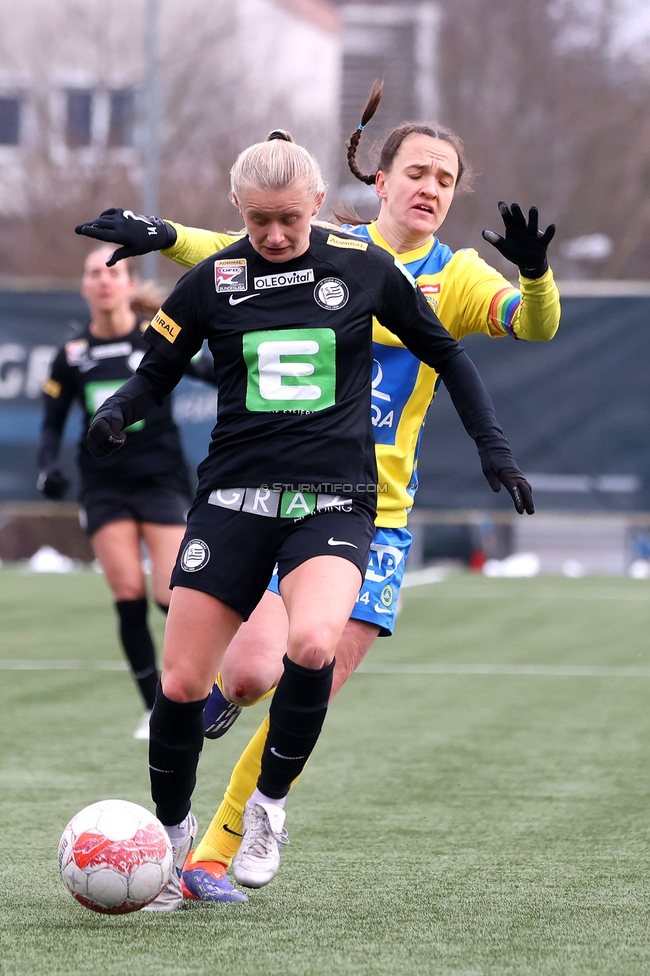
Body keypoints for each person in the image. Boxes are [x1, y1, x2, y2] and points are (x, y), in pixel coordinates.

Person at [76, 96, 559, 903]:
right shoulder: (321, 240)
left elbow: (534, 326)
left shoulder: (458, 278)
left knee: (314, 662)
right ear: (376, 177)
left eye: (447, 178)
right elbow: (243, 255)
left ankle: (217, 851)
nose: (431, 189)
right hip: (251, 490)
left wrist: (535, 275)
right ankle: (194, 764)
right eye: (417, 172)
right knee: (250, 668)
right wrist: (163, 236)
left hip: (370, 506)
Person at [37, 247, 197, 739]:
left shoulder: (156, 341)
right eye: (93, 274)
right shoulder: (70, 356)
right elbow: (52, 424)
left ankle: (194, 686)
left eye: (115, 272)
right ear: (85, 287)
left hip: (162, 479)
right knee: (128, 594)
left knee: (170, 592)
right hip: (105, 486)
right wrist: (48, 468)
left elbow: (213, 369)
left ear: (129, 285)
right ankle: (157, 709)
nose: (104, 281)